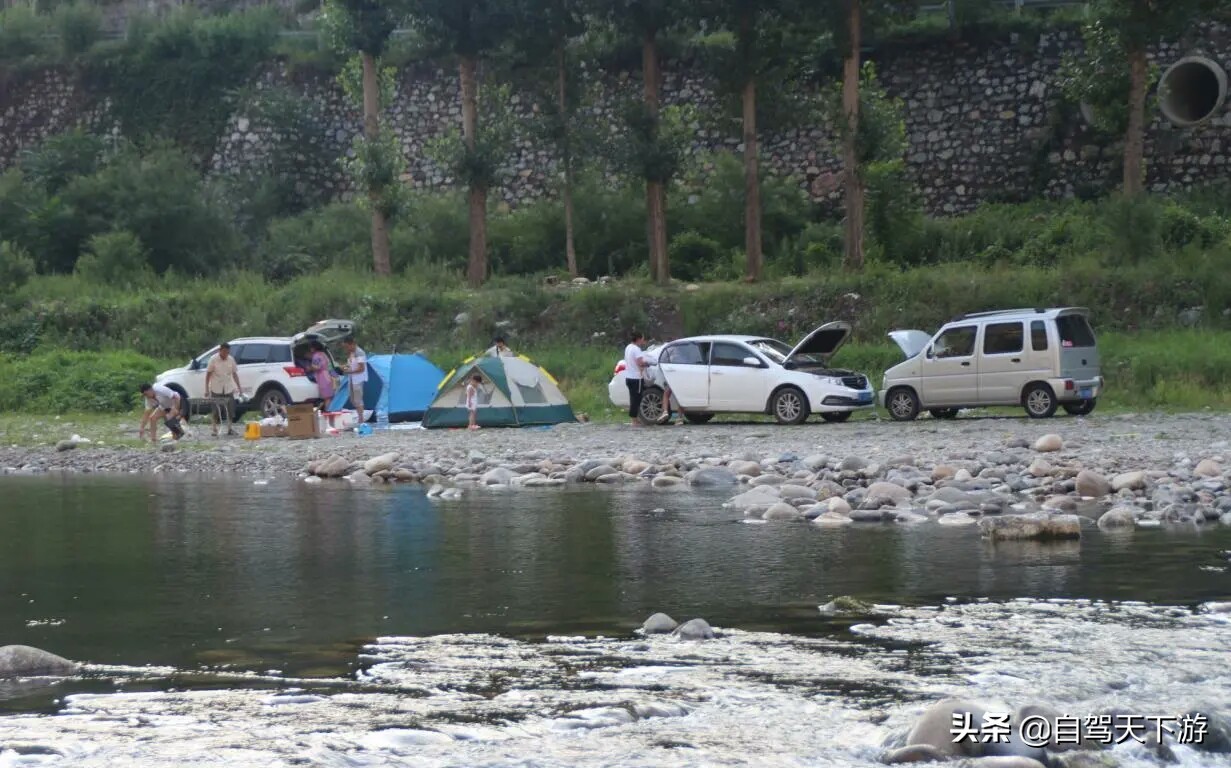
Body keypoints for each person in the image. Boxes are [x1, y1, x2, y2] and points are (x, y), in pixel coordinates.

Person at [204, 342, 243, 437]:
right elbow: (208, 375)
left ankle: (230, 428)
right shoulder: (213, 359)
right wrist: (206, 389)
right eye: (224, 352)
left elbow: (234, 374)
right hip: (216, 387)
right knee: (216, 410)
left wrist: (239, 388)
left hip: (228, 387)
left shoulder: (231, 359)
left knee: (231, 409)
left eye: (227, 352)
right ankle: (214, 429)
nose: (226, 354)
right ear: (220, 351)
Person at [623, 332, 648, 426]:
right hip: (636, 378)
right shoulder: (636, 349)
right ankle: (634, 420)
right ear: (638, 339)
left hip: (629, 377)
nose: (643, 341)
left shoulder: (628, 347)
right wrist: (648, 363)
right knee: (636, 399)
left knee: (633, 398)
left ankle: (635, 418)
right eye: (642, 339)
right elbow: (640, 363)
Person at [342, 335, 368, 422]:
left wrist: (349, 371)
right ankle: (359, 416)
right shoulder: (351, 353)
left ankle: (361, 419)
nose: (346, 349)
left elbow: (361, 368)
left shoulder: (359, 353)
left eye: (347, 346)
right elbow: (351, 364)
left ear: (352, 344)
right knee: (352, 399)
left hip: (358, 379)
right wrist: (345, 367)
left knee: (358, 399)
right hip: (352, 378)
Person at [308, 340, 336, 409]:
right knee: (329, 397)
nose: (310, 349)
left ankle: (328, 411)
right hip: (328, 375)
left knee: (326, 397)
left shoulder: (316, 356)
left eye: (311, 347)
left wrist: (310, 368)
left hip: (322, 377)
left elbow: (317, 367)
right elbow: (329, 366)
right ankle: (330, 410)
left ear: (314, 348)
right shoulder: (323, 354)